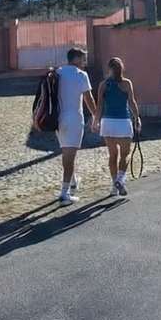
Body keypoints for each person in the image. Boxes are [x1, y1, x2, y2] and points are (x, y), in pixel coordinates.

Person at [93, 56, 142, 196]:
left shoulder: (103, 84)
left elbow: (100, 106)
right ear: (122, 69)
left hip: (108, 123)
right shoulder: (127, 83)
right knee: (125, 155)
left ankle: (114, 186)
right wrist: (137, 118)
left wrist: (95, 121)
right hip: (123, 123)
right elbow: (132, 102)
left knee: (112, 155)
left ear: (109, 69)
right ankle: (120, 180)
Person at [55, 47, 97, 206]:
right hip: (73, 119)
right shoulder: (81, 75)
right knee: (69, 157)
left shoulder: (58, 72)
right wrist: (95, 116)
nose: (85, 62)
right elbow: (89, 99)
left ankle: (73, 183)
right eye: (83, 59)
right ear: (77, 59)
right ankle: (64, 193)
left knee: (66, 153)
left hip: (57, 120)